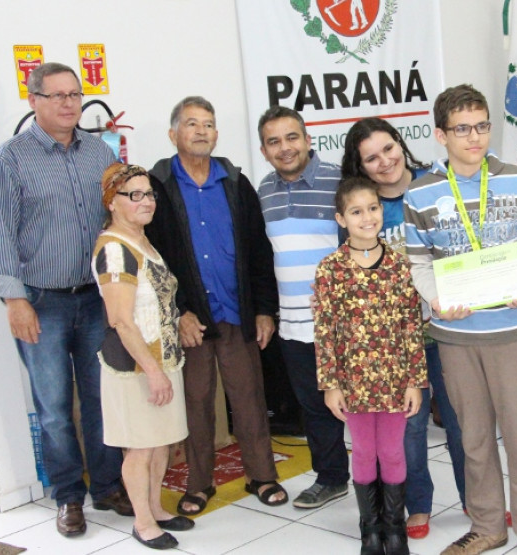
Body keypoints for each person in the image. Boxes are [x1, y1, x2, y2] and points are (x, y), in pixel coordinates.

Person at [404, 84, 517, 555]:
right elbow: (419, 264)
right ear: (440, 135)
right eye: (462, 129)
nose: (474, 137)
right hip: (454, 334)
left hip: (513, 331)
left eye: (482, 126)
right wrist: (436, 300)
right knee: (472, 438)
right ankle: (488, 525)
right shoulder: (421, 193)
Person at [0, 62, 131, 537]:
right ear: (35, 101)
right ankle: (69, 496)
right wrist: (14, 300)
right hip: (40, 302)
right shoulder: (10, 159)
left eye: (75, 94)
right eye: (58, 96)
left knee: (100, 398)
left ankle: (108, 485)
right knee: (51, 407)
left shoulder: (98, 154)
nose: (70, 104)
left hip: (94, 300)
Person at [146, 96, 286, 515]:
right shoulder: (157, 186)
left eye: (208, 123)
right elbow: (152, 256)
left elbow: (259, 250)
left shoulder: (235, 181)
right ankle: (199, 484)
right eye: (192, 124)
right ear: (174, 134)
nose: (202, 131)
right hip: (191, 318)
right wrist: (179, 311)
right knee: (196, 403)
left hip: (236, 312)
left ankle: (262, 476)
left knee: (249, 399)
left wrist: (264, 308)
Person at [341, 117, 467, 539]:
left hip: (449, 327)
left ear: (402, 143)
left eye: (388, 148)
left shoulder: (436, 185)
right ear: (360, 167)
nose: (384, 161)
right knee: (410, 426)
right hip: (395, 344)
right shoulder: (365, 208)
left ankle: (476, 498)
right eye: (371, 158)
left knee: (460, 417)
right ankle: (418, 505)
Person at [315, 177, 428, 555]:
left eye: (373, 208)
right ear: (341, 218)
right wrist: (331, 383)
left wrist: (415, 380)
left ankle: (394, 527)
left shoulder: (399, 265)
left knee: (393, 452)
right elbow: (325, 329)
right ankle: (371, 529)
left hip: (396, 380)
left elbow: (412, 325)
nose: (367, 217)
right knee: (364, 452)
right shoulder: (330, 269)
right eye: (356, 211)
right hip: (353, 382)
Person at [94, 163, 192, 549]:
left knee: (159, 441)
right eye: (133, 195)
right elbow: (121, 320)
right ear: (112, 202)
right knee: (139, 446)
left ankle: (156, 508)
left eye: (148, 194)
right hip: (135, 366)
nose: (145, 201)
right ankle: (143, 522)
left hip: (162, 360)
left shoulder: (142, 241)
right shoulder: (115, 249)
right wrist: (152, 371)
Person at [257, 106, 351, 509]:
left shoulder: (338, 183)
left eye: (292, 137)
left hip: (343, 323)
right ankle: (331, 478)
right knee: (315, 408)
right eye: (274, 141)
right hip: (294, 324)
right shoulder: (263, 190)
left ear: (308, 139)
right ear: (264, 150)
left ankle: (378, 478)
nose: (285, 148)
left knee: (361, 405)